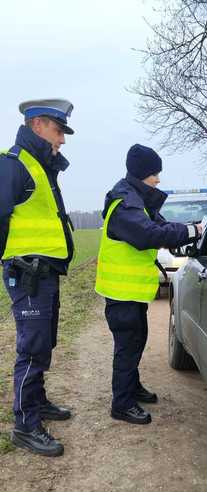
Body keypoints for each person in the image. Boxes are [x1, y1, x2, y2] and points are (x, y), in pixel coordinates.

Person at [95, 143, 202, 425]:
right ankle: (122, 404)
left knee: (136, 340)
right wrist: (193, 230)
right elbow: (148, 234)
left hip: (131, 292)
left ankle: (132, 387)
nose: (158, 179)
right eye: (155, 173)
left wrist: (189, 232)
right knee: (127, 346)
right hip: (121, 293)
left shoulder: (135, 200)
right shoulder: (126, 203)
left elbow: (160, 227)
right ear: (143, 173)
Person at [0, 99, 75, 457]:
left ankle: (38, 402)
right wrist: (10, 262)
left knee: (43, 344)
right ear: (38, 125)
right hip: (27, 273)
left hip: (44, 272)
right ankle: (25, 426)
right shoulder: (13, 164)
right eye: (59, 131)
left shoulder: (41, 167)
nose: (62, 140)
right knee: (31, 349)